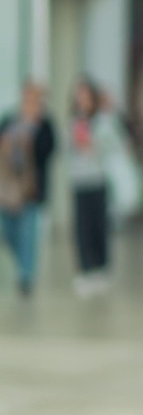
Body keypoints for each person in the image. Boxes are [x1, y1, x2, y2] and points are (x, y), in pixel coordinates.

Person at [66, 78, 134, 297]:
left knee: (98, 226)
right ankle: (85, 269)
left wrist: (95, 143)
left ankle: (101, 268)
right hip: (79, 181)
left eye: (86, 97)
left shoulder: (103, 122)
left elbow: (116, 144)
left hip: (98, 179)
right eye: (79, 97)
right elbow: (67, 149)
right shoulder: (74, 122)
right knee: (81, 228)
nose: (82, 101)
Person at [0, 81, 57, 297]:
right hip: (7, 188)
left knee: (28, 234)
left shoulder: (44, 125)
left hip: (30, 189)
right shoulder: (9, 120)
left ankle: (25, 275)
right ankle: (21, 261)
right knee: (8, 231)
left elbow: (49, 150)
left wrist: (30, 143)